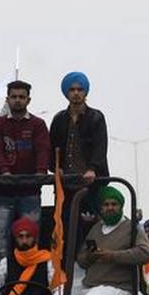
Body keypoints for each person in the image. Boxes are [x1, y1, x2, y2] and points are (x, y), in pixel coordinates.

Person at [0, 80, 50, 270]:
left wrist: (40, 172)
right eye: (13, 97)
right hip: (4, 192)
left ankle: (32, 282)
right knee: (1, 241)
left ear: (28, 100)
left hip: (30, 191)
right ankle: (2, 285)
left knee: (30, 239)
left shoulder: (37, 124)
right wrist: (5, 171)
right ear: (7, 99)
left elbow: (43, 150)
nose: (17, 101)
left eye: (21, 97)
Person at [50, 72, 109, 233]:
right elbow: (52, 147)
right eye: (72, 89)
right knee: (65, 225)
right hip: (66, 184)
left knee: (91, 226)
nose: (76, 93)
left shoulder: (96, 117)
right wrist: (56, 168)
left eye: (80, 89)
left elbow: (100, 146)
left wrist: (92, 169)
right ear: (66, 93)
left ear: (85, 92)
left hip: (90, 183)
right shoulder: (59, 119)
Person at [0, 217, 54, 295]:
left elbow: (57, 290)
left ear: (34, 238)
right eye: (20, 237)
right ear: (16, 238)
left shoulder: (47, 261)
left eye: (28, 236)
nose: (24, 241)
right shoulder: (6, 263)